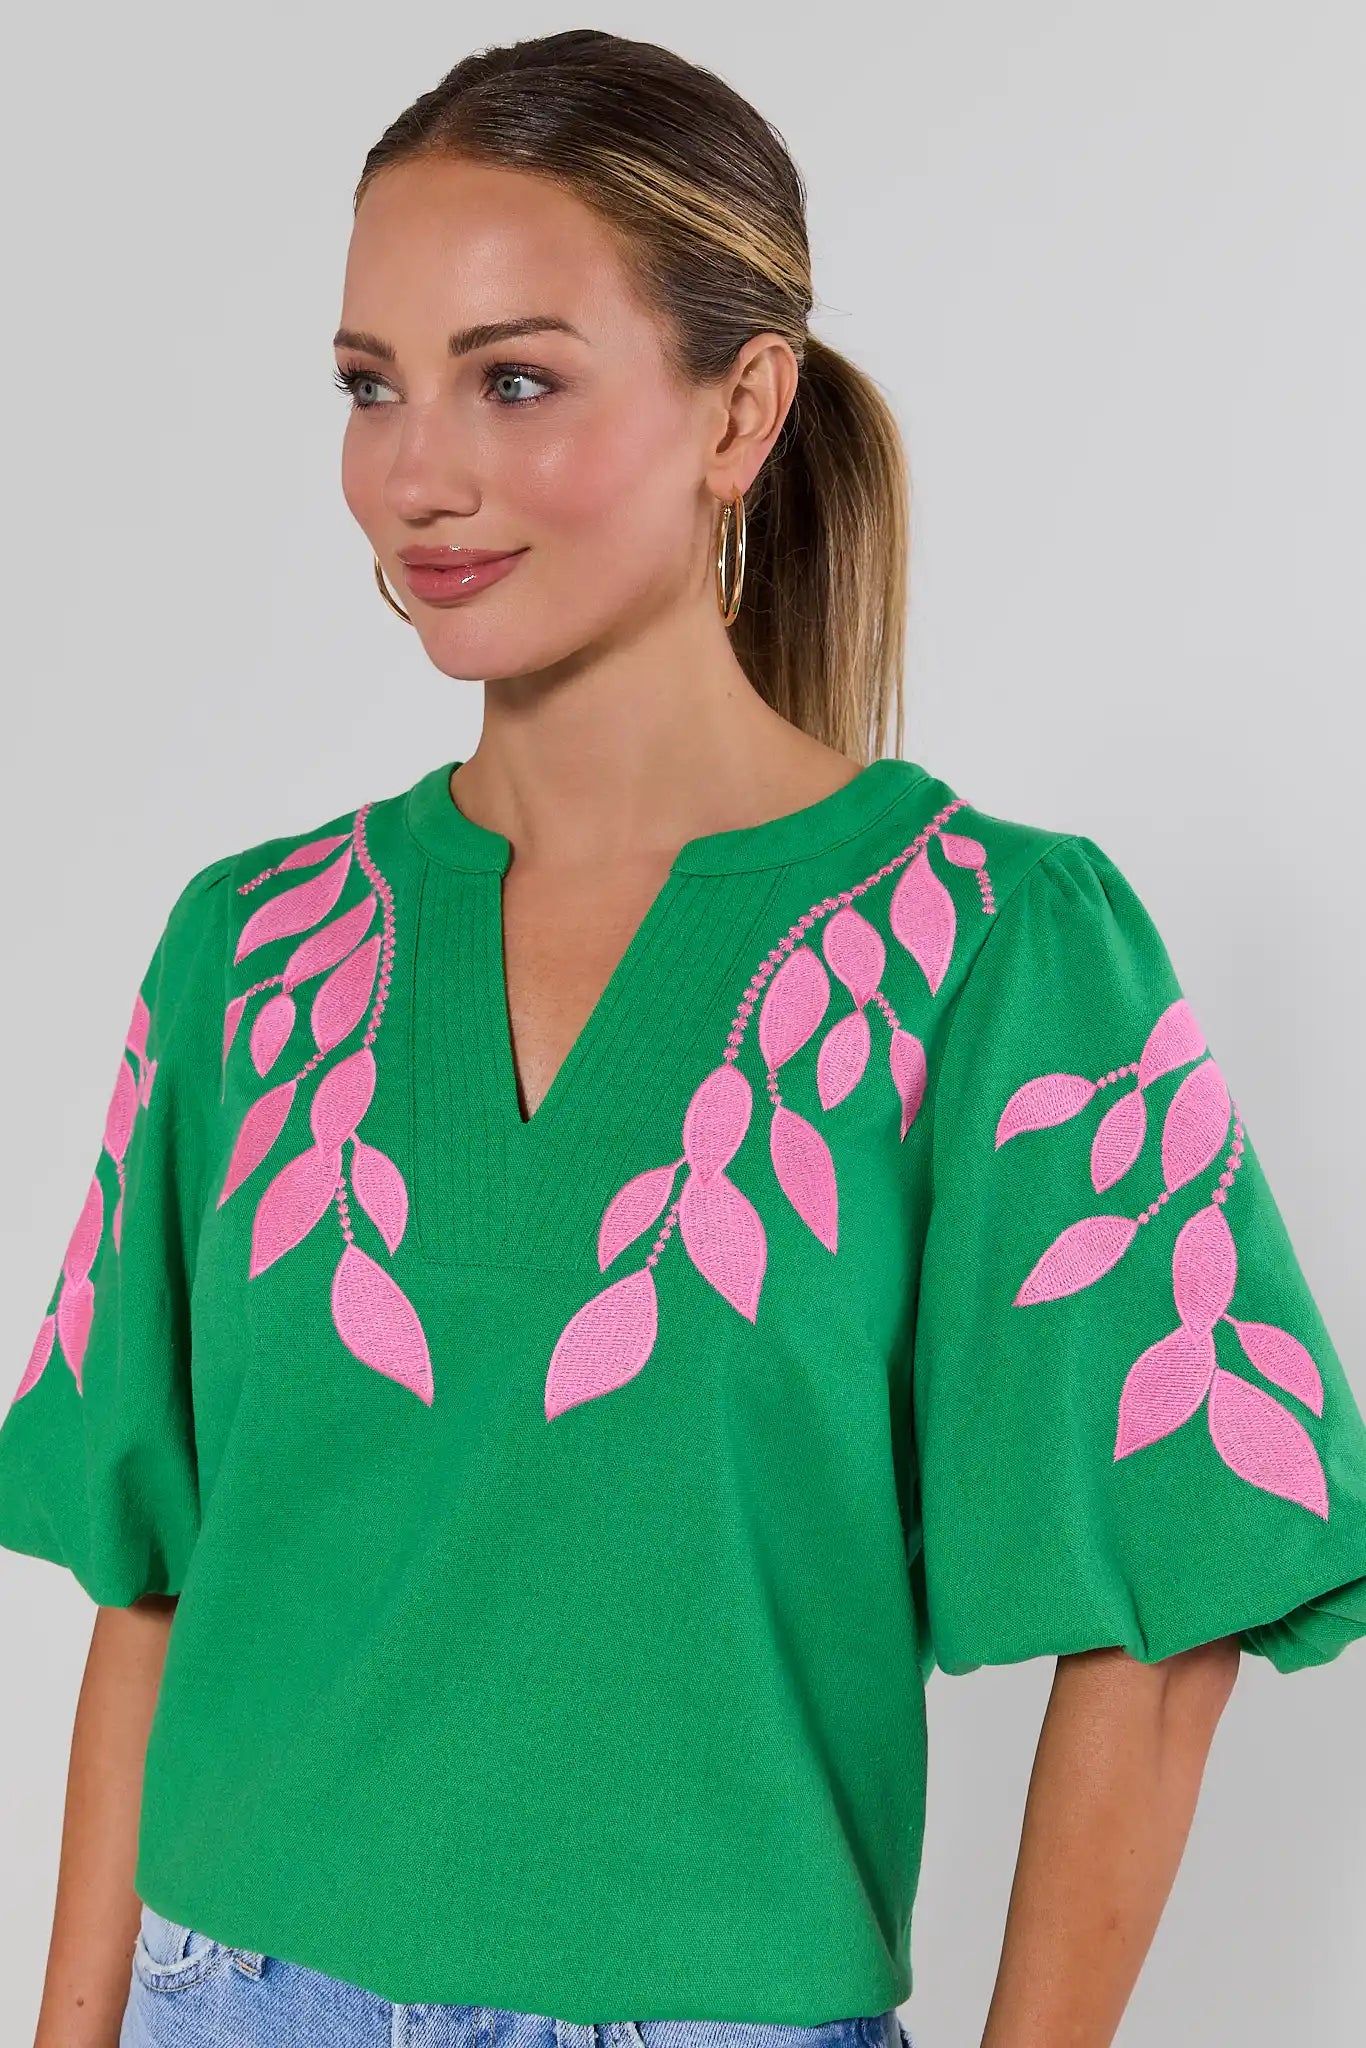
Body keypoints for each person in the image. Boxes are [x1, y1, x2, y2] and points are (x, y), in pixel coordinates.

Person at [3, 27, 1365, 2048]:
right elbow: (154, 1580)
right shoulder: (248, 949)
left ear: (741, 410)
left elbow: (1171, 1597)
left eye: (515, 377)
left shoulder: (988, 950)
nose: (417, 471)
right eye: (369, 385)